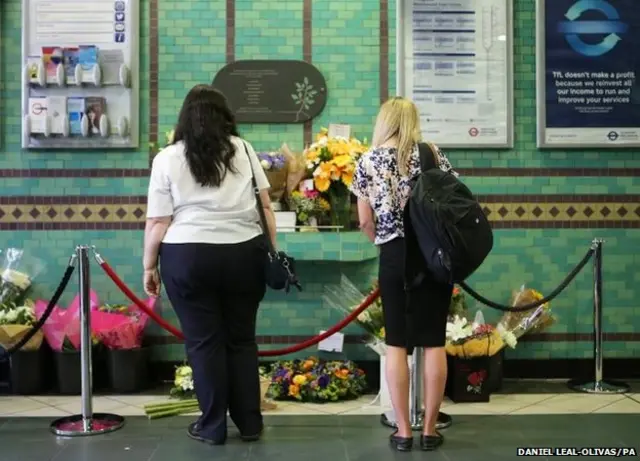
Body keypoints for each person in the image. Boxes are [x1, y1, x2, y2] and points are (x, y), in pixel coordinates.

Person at [142, 84, 276, 445]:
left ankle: (212, 425)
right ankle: (250, 423)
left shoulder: (168, 158)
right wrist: (271, 252)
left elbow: (158, 222)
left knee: (204, 343)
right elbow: (265, 208)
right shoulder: (244, 150)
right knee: (242, 340)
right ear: (226, 117)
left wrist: (148, 266)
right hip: (243, 253)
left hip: (187, 256)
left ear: (185, 118)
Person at [350, 97, 455, 452]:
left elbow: (364, 219)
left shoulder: (369, 160)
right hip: (432, 255)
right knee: (434, 341)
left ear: (383, 122)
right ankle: (430, 429)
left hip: (394, 253)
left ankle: (403, 431)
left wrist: (382, 243)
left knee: (397, 342)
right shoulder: (432, 154)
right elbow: (453, 200)